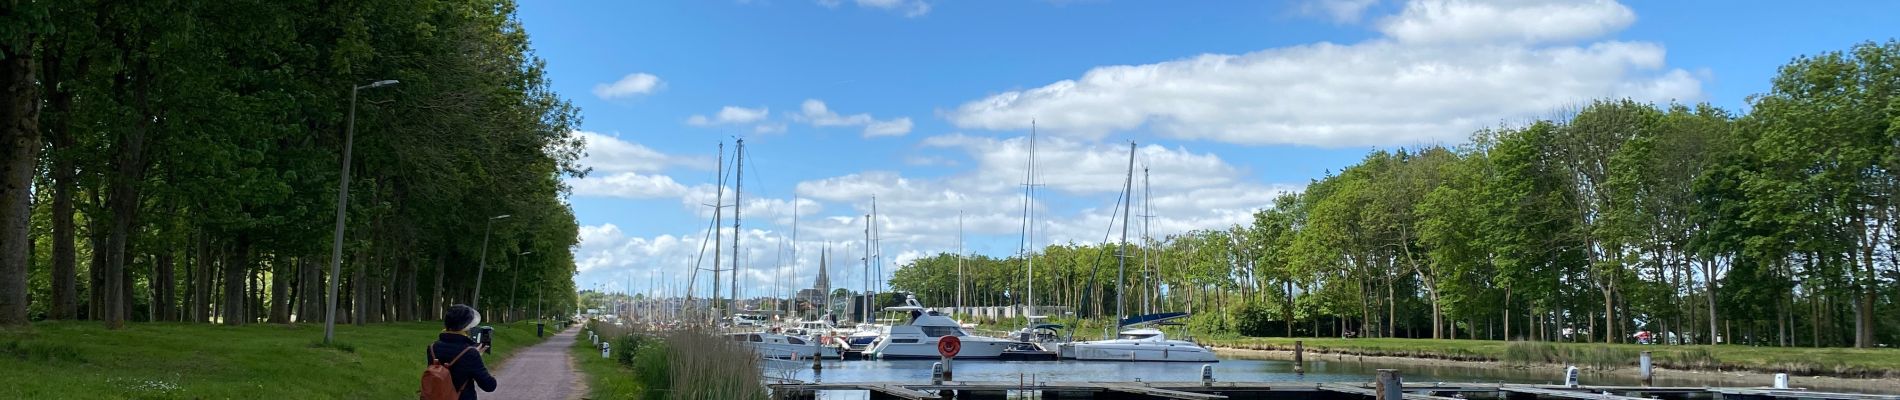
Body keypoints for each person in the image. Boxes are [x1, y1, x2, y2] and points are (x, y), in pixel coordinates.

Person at [430, 304, 498, 399]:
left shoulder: (432, 347)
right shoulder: (470, 353)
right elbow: (489, 386)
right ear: (466, 326)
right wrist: (476, 357)